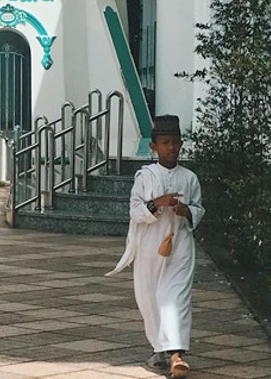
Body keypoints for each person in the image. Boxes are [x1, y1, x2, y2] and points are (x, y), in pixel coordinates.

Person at [107, 115, 204, 378]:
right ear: (154, 146)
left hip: (180, 246)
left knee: (176, 299)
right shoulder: (145, 176)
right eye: (165, 142)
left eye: (175, 142)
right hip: (150, 247)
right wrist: (156, 204)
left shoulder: (190, 178)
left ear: (181, 144)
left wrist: (187, 211)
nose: (171, 147)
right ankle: (160, 349)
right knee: (151, 300)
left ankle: (177, 356)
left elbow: (199, 209)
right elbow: (135, 210)